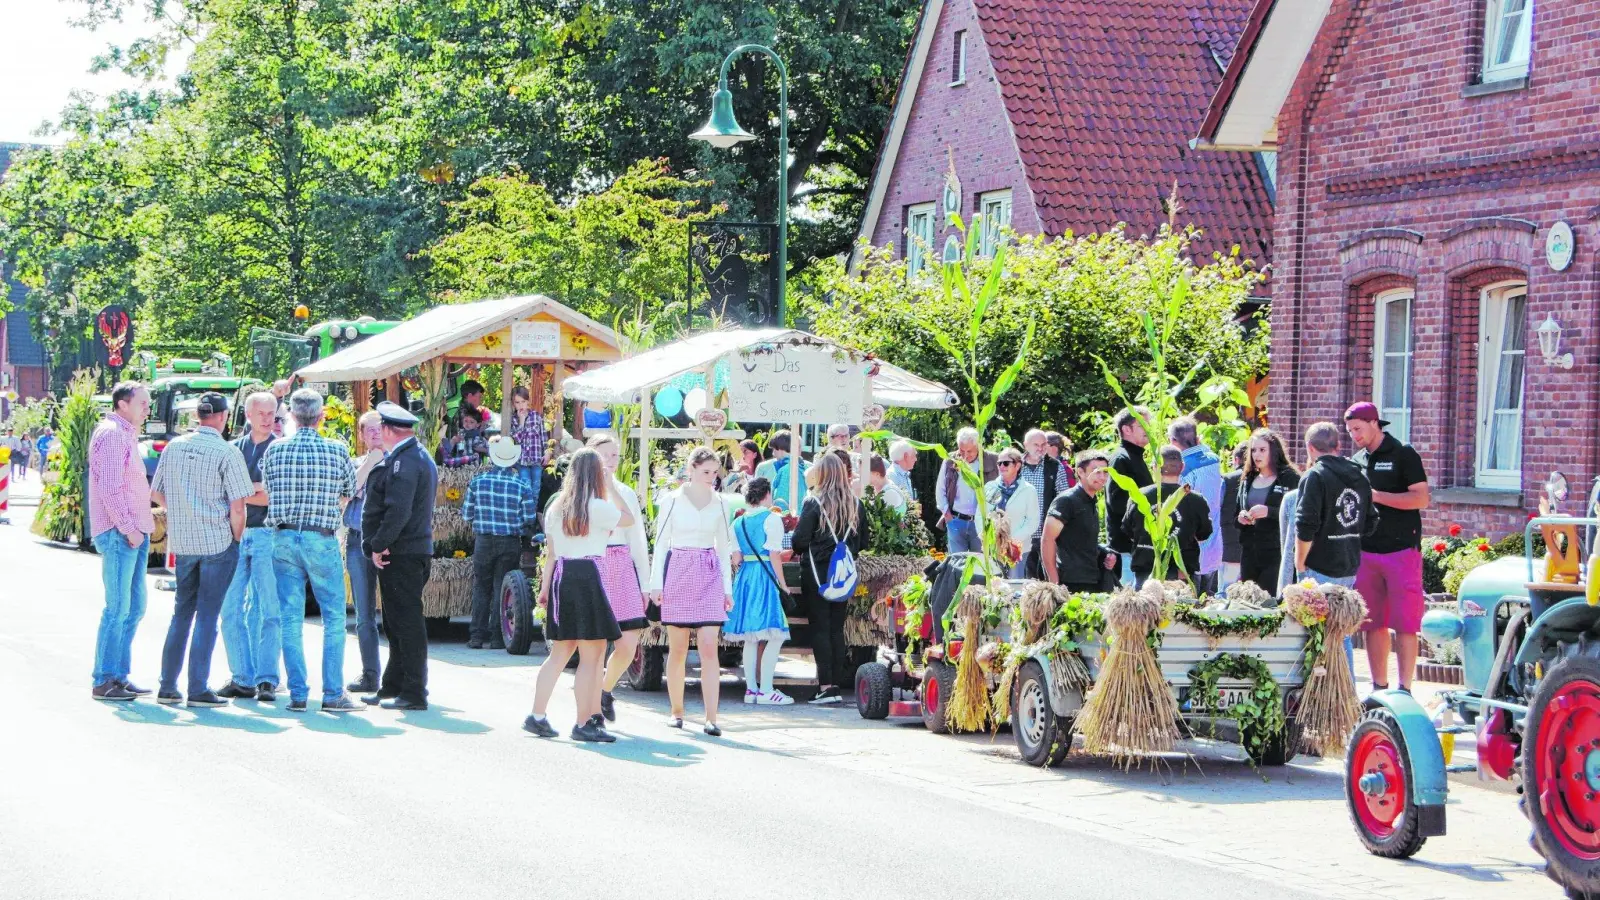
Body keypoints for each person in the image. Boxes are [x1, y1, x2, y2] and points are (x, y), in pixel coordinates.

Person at [260, 389, 363, 713]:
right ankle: (332, 693)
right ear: (321, 417)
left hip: (284, 538)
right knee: (333, 617)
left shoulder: (275, 450)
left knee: (290, 617)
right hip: (321, 538)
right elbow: (349, 491)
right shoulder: (337, 450)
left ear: (291, 416)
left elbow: (269, 487)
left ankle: (298, 693)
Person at [149, 393, 254, 707]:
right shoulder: (227, 451)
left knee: (181, 614)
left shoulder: (174, 447)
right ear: (223, 417)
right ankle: (197, 688)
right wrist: (236, 539)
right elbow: (238, 508)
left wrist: (184, 513)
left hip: (184, 543)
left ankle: (167, 686)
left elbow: (156, 492)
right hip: (217, 542)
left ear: (197, 415)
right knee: (207, 616)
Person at [523, 448, 629, 743]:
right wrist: (612, 488)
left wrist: (545, 589)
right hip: (589, 576)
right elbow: (630, 518)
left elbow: (553, 553)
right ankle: (584, 722)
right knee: (592, 657)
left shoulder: (557, 507)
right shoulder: (598, 505)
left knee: (559, 654)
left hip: (563, 576)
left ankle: (537, 715)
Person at [648, 447, 736, 734]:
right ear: (691, 470)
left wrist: (727, 589)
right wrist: (656, 584)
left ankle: (712, 717)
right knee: (679, 647)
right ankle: (677, 711)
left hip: (709, 570)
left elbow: (723, 547)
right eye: (705, 472)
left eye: (714, 472)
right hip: (679, 570)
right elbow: (661, 543)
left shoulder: (721, 502)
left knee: (710, 646)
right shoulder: (671, 500)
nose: (711, 478)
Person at [1346, 401, 1430, 693]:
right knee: (1372, 622)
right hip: (1366, 550)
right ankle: (1379, 687)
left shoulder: (1403, 453)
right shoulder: (1357, 460)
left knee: (1406, 622)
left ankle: (1405, 688)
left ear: (1374, 423)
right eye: (1349, 431)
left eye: (1357, 429)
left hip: (1401, 549)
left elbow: (1420, 499)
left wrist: (1377, 496)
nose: (1354, 435)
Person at [361, 402, 439, 710]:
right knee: (395, 623)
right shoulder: (411, 457)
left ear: (389, 430)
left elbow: (399, 511)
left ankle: (413, 691)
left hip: (403, 552)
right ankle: (393, 685)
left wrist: (378, 543)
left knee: (406, 623)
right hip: (406, 550)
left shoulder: (405, 462)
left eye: (381, 428)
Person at [88, 381, 156, 701]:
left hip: (132, 533)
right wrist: (129, 527)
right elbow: (111, 488)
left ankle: (118, 675)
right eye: (142, 402)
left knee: (133, 607)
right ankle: (104, 680)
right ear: (122, 405)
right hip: (121, 533)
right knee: (117, 608)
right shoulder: (114, 435)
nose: (148, 407)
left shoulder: (124, 433)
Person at [217, 391, 280, 701]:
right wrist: (251, 491)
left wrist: (242, 492)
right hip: (236, 534)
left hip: (269, 534)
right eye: (262, 413)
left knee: (269, 609)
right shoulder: (233, 450)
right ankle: (242, 677)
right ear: (249, 415)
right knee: (230, 610)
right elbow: (223, 492)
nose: (269, 418)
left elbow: (273, 496)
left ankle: (267, 679)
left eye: (273, 413)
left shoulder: (280, 449)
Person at [792, 452, 869, 705]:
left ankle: (824, 686)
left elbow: (799, 541)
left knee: (820, 629)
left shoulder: (814, 502)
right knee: (837, 629)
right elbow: (864, 542)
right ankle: (835, 684)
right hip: (844, 576)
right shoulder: (856, 504)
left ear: (821, 474)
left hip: (817, 576)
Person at [591, 433, 650, 722]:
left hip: (622, 564)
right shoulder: (584, 492)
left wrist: (645, 582)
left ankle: (605, 689)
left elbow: (637, 539)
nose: (612, 461)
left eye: (616, 455)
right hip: (594, 564)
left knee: (628, 643)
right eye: (606, 454)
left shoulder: (624, 493)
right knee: (596, 643)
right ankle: (590, 705)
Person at [464, 435, 539, 649]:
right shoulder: (521, 485)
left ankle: (477, 636)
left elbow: (467, 514)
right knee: (502, 587)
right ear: (512, 460)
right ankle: (497, 637)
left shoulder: (478, 482)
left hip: (484, 541)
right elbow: (528, 518)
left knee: (481, 587)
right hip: (509, 542)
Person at [726, 477, 793, 705]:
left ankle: (752, 690)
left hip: (746, 577)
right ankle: (766, 689)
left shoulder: (737, 523)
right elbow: (775, 554)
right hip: (764, 577)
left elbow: (736, 559)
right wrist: (783, 584)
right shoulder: (771, 519)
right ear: (766, 494)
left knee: (751, 639)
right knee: (774, 633)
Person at [1122, 445, 1213, 587]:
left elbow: (1128, 531)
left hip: (1146, 572)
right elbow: (1204, 534)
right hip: (1182, 574)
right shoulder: (1196, 500)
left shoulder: (1138, 496)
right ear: (1182, 467)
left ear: (1154, 467)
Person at [1293, 422, 1370, 587]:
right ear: (1338, 445)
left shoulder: (1314, 476)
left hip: (1318, 568)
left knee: (1314, 613)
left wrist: (1299, 564)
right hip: (1350, 567)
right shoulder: (1360, 476)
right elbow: (1370, 521)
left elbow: (1306, 524)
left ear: (1310, 447)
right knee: (1343, 613)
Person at [344, 410, 385, 694]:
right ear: (361, 435)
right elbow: (347, 493)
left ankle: (402, 675)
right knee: (364, 615)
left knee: (396, 613)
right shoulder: (355, 463)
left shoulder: (397, 462)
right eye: (368, 430)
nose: (374, 433)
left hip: (388, 543)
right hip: (357, 541)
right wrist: (370, 463)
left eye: (378, 428)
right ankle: (370, 674)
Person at [1041, 450, 1120, 591]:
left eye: (1105, 472)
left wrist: (1107, 554)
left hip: (1092, 579)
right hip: (1069, 582)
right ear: (1080, 472)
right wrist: (1054, 582)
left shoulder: (1091, 501)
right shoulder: (1066, 501)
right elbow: (1047, 539)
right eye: (1096, 471)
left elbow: (1080, 540)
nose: (1102, 477)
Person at [1234, 428, 1300, 594]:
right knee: (1248, 600)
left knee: (1270, 601)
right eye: (1253, 450)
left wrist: (1269, 512)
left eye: (1262, 450)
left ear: (1274, 451)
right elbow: (1235, 514)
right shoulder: (1247, 479)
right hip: (1250, 552)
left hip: (1277, 552)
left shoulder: (1289, 478)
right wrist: (1241, 517)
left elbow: (1299, 514)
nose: (1257, 455)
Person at [1170, 417, 1224, 594]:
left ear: (1173, 442)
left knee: (1191, 602)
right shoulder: (1214, 460)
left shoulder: (1182, 469)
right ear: (1197, 438)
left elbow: (1179, 506)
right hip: (1214, 542)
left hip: (1192, 549)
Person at [1106, 408, 1153, 586]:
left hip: (1140, 543)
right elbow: (1118, 503)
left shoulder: (1136, 457)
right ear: (1127, 429)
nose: (1148, 429)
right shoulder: (1121, 459)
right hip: (1127, 546)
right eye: (1143, 425)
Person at [934, 427, 997, 555]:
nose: (965, 455)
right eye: (962, 451)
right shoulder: (950, 460)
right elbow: (940, 490)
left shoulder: (993, 460)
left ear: (978, 446)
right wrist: (947, 516)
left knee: (981, 563)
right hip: (956, 520)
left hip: (981, 523)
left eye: (970, 451)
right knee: (957, 563)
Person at [1019, 429, 1069, 579]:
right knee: (1025, 576)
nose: (1040, 449)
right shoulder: (1016, 466)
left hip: (1046, 532)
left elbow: (1064, 496)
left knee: (1047, 576)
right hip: (1022, 532)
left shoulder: (1055, 466)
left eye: (1043, 444)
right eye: (1036, 445)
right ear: (1025, 445)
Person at [986, 447, 1038, 577]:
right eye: (999, 463)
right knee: (994, 585)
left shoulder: (1029, 490)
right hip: (994, 547)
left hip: (1017, 547)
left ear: (1017, 465)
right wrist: (988, 538)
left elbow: (1033, 521)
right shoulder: (990, 487)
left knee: (1014, 586)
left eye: (1006, 463)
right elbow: (981, 515)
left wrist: (1011, 541)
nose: (1001, 466)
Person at [507, 385, 547, 504]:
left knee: (536, 489)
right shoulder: (514, 419)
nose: (521, 405)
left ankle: (532, 518)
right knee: (526, 487)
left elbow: (543, 437)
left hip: (536, 460)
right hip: (522, 461)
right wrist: (521, 422)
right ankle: (525, 516)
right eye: (517, 402)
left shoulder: (537, 417)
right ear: (513, 404)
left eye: (523, 402)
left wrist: (547, 452)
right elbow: (517, 439)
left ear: (528, 401)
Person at [1218, 442, 1249, 591]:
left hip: (1229, 541)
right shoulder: (1264, 478)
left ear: (1236, 460)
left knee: (1226, 590)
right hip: (1255, 545)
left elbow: (1218, 507)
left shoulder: (1228, 479)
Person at [754, 430, 807, 512]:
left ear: (780, 448)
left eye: (774, 449)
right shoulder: (799, 467)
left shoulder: (786, 470)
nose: (773, 454)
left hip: (787, 520)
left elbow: (781, 502)